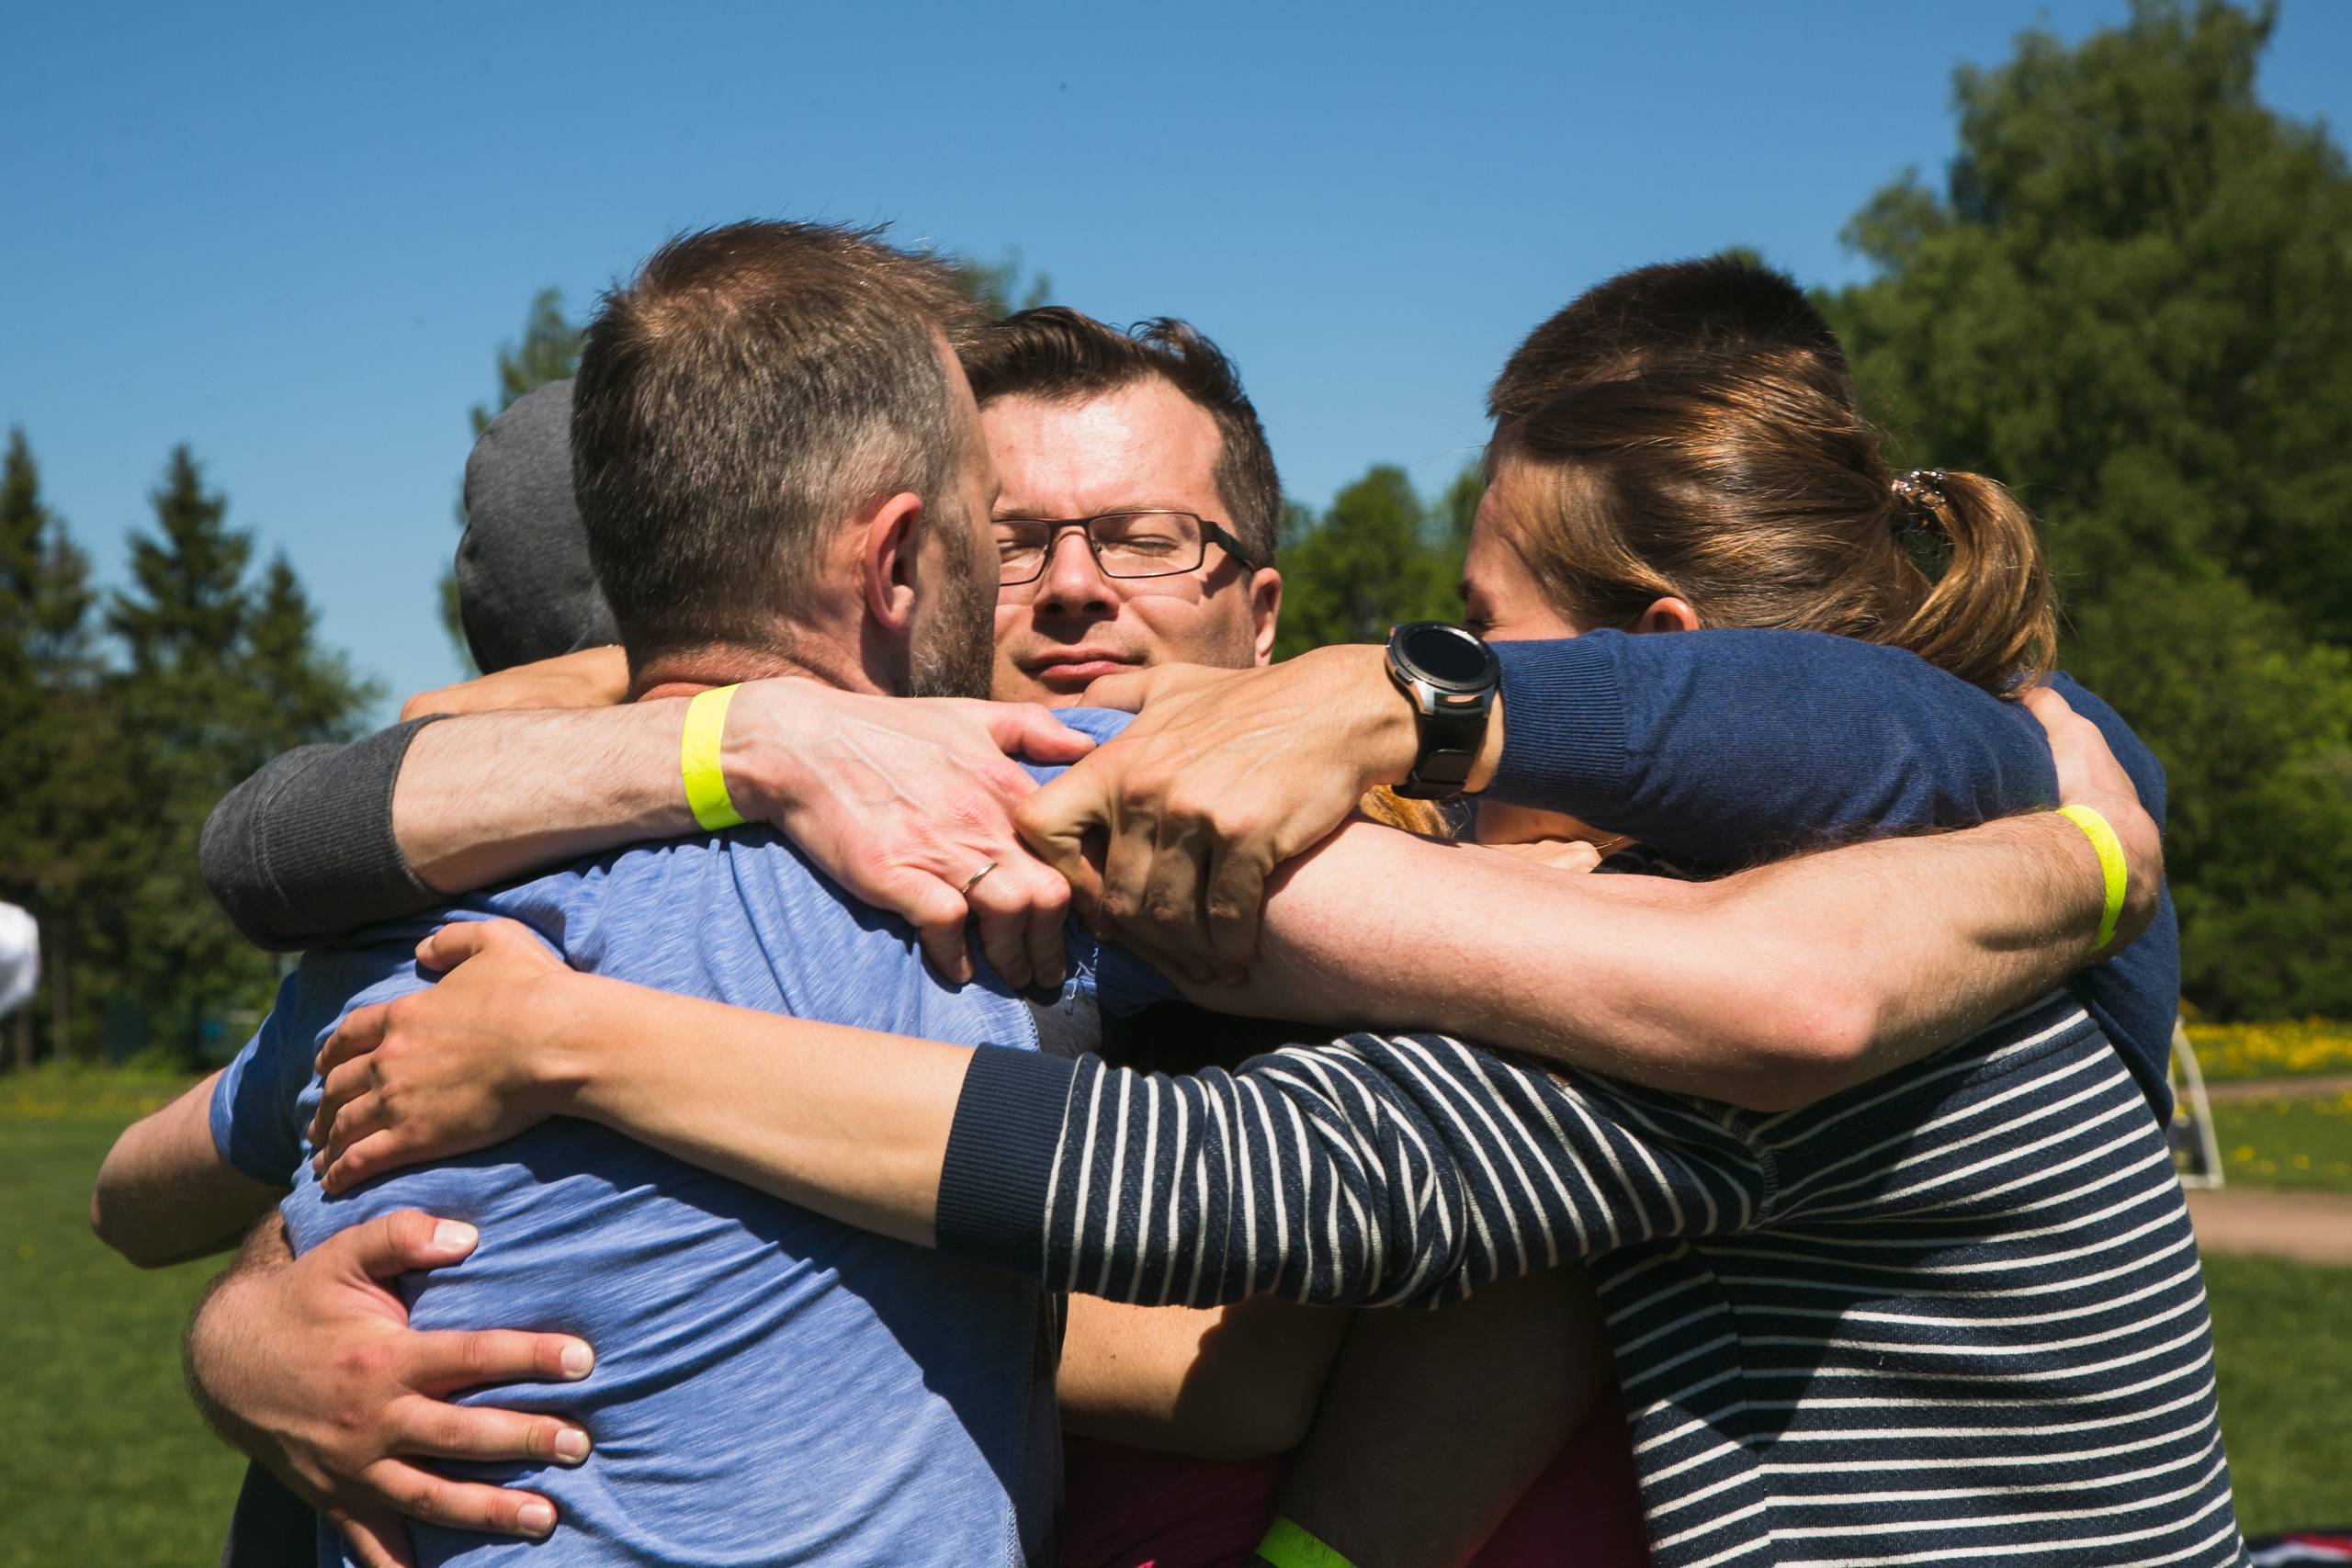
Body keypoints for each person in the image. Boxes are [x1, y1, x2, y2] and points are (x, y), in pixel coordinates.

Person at [159, 259, 2183, 1565]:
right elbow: (265, 931)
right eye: (1009, 534)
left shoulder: (1514, 874)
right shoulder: (845, 811)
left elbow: (1236, 1239)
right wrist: (252, 1324)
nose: (1062, 591)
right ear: (908, 568)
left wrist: (593, 1061)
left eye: (1141, 536)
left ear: (1264, 616)